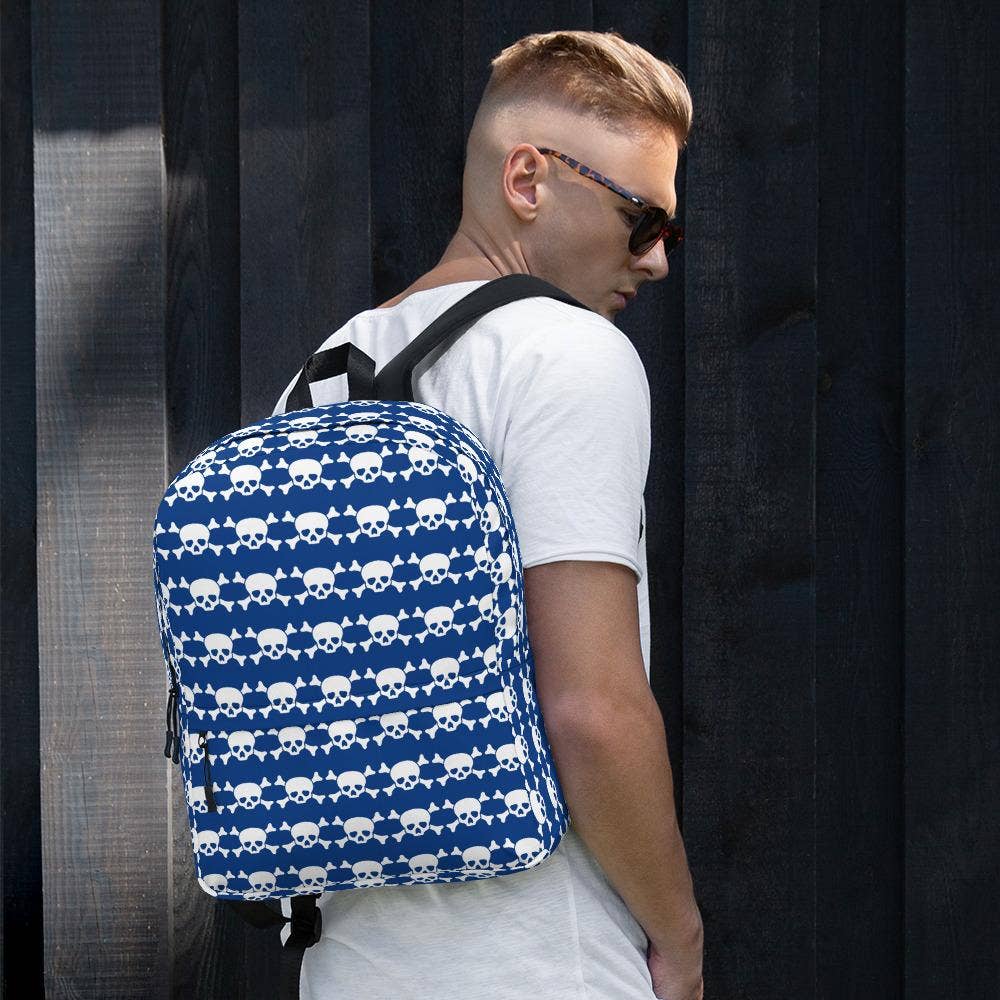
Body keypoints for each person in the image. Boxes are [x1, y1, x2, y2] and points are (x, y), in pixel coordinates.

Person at [271, 28, 703, 1000]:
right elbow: (590, 707)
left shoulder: (320, 378)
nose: (657, 262)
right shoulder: (565, 352)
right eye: (642, 220)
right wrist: (680, 937)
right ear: (528, 179)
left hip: (349, 967)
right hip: (542, 962)